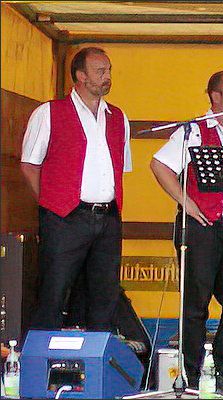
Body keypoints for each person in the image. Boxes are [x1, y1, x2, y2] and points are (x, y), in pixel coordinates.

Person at [150, 70, 223, 390]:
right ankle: (193, 376)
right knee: (196, 306)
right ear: (215, 96)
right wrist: (187, 203)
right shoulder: (194, 131)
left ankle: (222, 371)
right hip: (202, 229)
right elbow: (159, 165)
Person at [21, 47, 132, 332]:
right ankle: (43, 355)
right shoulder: (49, 113)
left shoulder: (118, 117)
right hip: (64, 217)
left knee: (104, 294)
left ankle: (98, 356)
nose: (107, 76)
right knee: (54, 292)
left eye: (108, 70)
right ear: (81, 76)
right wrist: (52, 204)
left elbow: (120, 168)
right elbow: (30, 165)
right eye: (100, 71)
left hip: (107, 217)